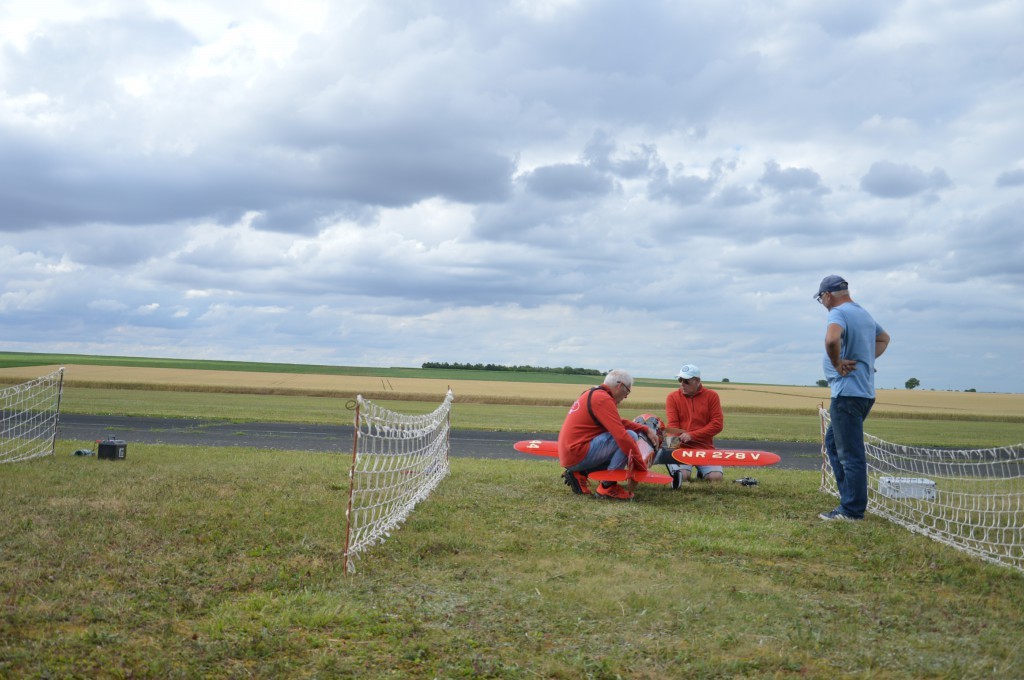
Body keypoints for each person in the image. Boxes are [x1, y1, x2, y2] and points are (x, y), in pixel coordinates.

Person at [815, 275, 890, 521]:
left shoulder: (839, 313)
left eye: (821, 298)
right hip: (863, 393)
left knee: (850, 454)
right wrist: (865, 360)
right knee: (835, 445)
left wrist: (837, 363)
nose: (822, 303)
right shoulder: (864, 314)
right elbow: (884, 338)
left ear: (827, 295)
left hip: (847, 394)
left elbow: (832, 339)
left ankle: (852, 510)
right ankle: (848, 499)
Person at [557, 369, 656, 500]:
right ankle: (607, 486)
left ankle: (580, 473)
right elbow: (621, 436)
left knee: (625, 435)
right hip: (577, 454)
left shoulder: (592, 393)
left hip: (570, 454)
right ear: (620, 386)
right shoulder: (603, 399)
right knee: (630, 436)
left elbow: (616, 422)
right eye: (627, 391)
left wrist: (643, 428)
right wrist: (641, 468)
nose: (626, 396)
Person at [660, 364, 725, 488]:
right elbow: (673, 424)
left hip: (705, 448)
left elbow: (717, 424)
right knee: (682, 476)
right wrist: (673, 447)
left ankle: (702, 472)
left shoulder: (712, 396)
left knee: (716, 478)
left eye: (686, 381)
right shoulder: (672, 397)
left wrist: (692, 435)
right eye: (680, 380)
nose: (682, 384)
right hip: (682, 448)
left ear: (697, 381)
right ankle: (689, 470)